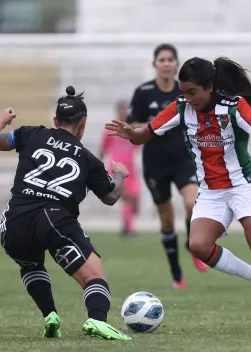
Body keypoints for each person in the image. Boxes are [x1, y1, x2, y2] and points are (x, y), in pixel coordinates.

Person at [106, 56, 251, 332]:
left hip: (244, 185)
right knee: (198, 246)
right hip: (211, 191)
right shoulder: (181, 108)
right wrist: (130, 133)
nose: (187, 98)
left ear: (209, 87)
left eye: (192, 92)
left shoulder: (233, 108)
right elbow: (145, 134)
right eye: (183, 92)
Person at [0, 87, 132, 340]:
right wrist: (120, 174)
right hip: (54, 218)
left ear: (55, 121)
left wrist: (2, 120)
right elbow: (111, 197)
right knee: (94, 274)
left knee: (30, 263)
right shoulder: (86, 158)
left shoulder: (31, 134)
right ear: (83, 124)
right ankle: (97, 320)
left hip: (14, 220)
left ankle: (50, 314)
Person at [127, 43, 207, 288]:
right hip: (155, 163)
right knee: (167, 219)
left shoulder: (185, 92)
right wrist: (153, 123)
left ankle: (192, 244)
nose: (166, 63)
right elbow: (132, 126)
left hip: (184, 159)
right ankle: (176, 274)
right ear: (155, 64)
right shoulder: (143, 92)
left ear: (176, 64)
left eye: (170, 59)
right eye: (162, 59)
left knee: (192, 205)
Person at [100, 100, 140, 236]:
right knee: (128, 198)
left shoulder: (131, 129)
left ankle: (127, 225)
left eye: (126, 111)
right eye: (122, 111)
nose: (124, 114)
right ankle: (129, 228)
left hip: (131, 170)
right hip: (116, 169)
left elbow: (138, 144)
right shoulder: (110, 130)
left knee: (135, 201)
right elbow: (103, 149)